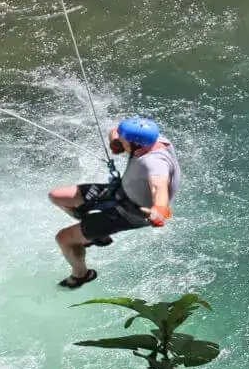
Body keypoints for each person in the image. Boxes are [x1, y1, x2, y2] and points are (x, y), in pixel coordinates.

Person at [46, 117, 180, 288]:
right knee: (57, 196)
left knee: (63, 238)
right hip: (120, 192)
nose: (120, 140)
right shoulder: (151, 139)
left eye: (123, 141)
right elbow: (115, 131)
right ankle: (94, 235)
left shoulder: (154, 163)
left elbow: (159, 187)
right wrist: (115, 143)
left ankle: (81, 275)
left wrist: (159, 210)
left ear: (135, 144)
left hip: (131, 213)